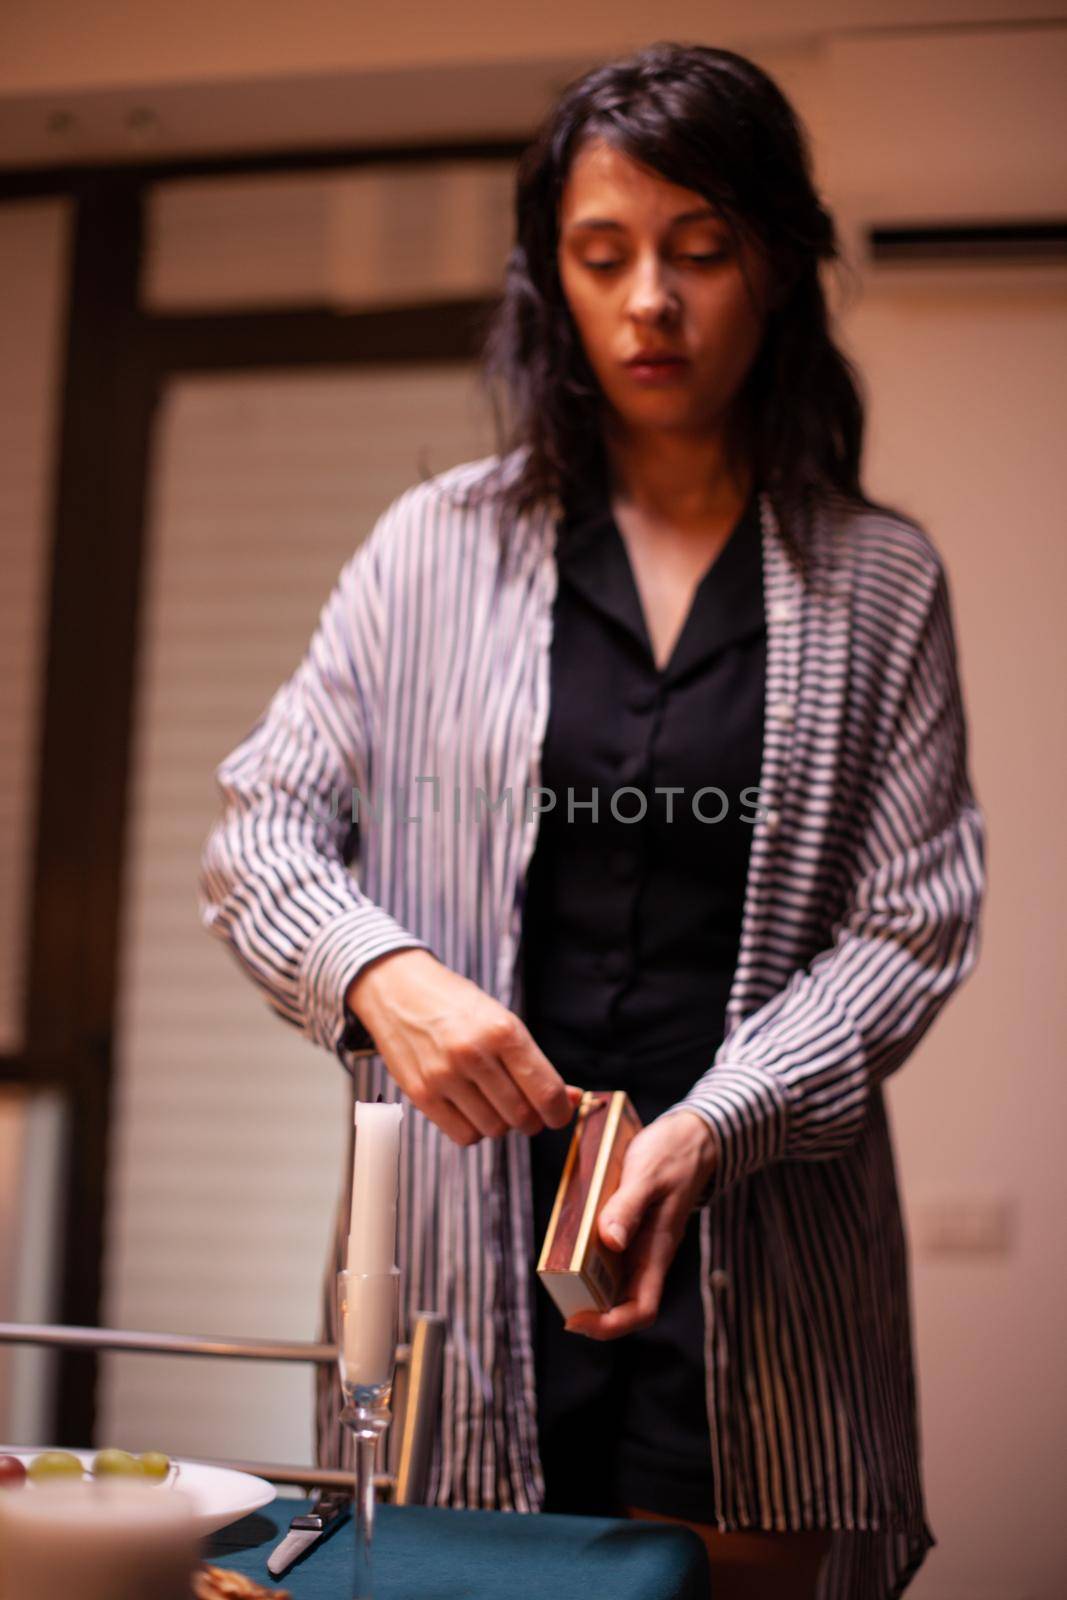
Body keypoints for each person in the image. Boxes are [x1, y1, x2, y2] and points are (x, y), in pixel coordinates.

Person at [198, 41, 986, 1600]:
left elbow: (915, 920)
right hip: (457, 1270)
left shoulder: (880, 579)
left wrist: (720, 1119)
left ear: (781, 265)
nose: (652, 303)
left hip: (762, 1264)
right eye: (603, 255)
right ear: (548, 279)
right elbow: (260, 830)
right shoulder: (434, 548)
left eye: (702, 252)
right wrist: (379, 975)